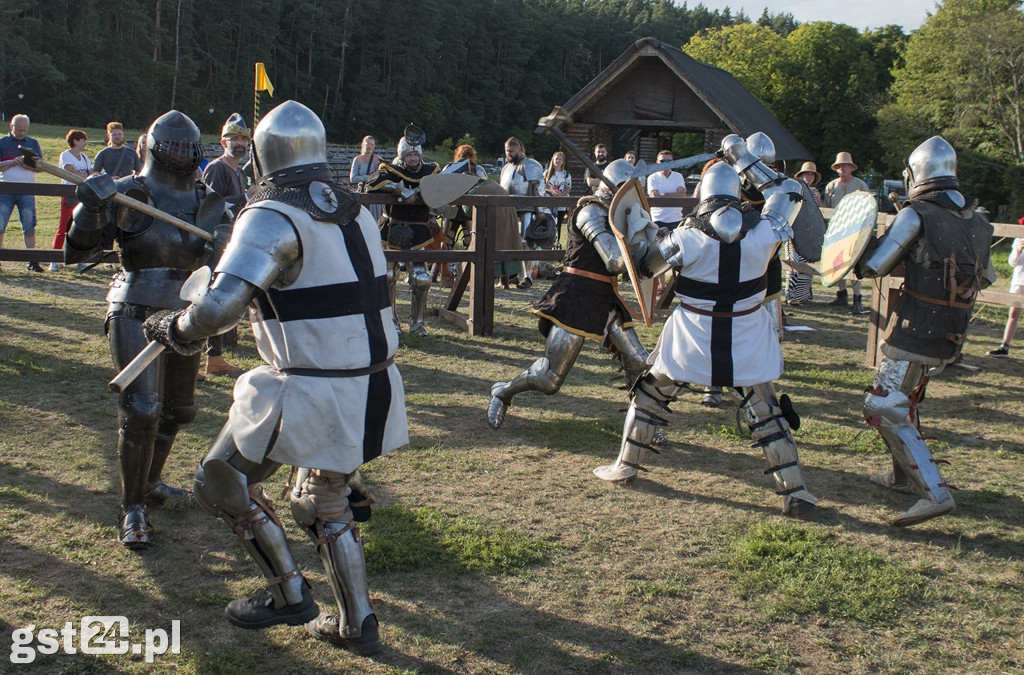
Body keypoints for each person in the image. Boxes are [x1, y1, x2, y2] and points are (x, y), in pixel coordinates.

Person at [142, 100, 406, 655]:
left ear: (262, 155)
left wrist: (175, 326)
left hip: (309, 384)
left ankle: (288, 593)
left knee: (220, 477)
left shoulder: (271, 215)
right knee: (322, 498)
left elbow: (217, 312)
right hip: (373, 382)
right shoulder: (355, 211)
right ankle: (357, 624)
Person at [593, 137, 818, 517]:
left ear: (703, 197)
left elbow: (643, 267)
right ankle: (795, 493)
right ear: (735, 194)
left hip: (692, 339)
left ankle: (626, 467)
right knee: (767, 413)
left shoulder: (685, 238)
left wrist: (638, 225)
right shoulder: (766, 233)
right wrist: (744, 158)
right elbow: (788, 189)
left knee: (649, 397)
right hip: (747, 337)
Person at [65, 110, 227, 549]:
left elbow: (224, 261)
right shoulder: (128, 193)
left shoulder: (207, 200)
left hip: (185, 314)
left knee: (179, 411)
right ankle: (131, 506)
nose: (181, 153)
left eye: (187, 146)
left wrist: (225, 242)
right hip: (135, 306)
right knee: (141, 410)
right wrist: (92, 207)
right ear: (155, 148)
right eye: (173, 145)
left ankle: (151, 484)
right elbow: (76, 251)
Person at [856, 136, 994, 526]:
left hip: (916, 327)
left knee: (882, 404)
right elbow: (984, 279)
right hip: (952, 331)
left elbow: (873, 267)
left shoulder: (915, 213)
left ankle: (934, 493)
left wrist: (862, 245)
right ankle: (901, 476)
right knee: (906, 401)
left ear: (916, 172)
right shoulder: (979, 220)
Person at [487, 159, 653, 432]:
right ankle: (503, 392)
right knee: (549, 380)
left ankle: (645, 422)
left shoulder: (618, 215)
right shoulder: (592, 212)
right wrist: (647, 246)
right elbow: (614, 260)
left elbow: (631, 269)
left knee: (638, 360)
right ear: (616, 188)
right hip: (576, 295)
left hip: (605, 297)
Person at [365, 125, 440, 336]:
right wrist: (399, 189)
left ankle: (417, 323)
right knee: (388, 276)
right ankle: (391, 322)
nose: (413, 158)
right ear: (402, 155)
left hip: (418, 231)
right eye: (410, 154)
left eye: (416, 154)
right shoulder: (389, 170)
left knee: (421, 278)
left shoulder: (431, 170)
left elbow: (442, 187)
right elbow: (371, 184)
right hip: (392, 228)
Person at [200, 112, 253, 376]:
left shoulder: (240, 172)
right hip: (214, 242)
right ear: (223, 142)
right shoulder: (217, 168)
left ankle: (215, 356)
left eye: (243, 138)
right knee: (210, 297)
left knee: (224, 297)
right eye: (234, 138)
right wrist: (246, 196)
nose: (240, 143)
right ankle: (209, 356)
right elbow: (213, 207)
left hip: (233, 241)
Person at [823, 151, 870, 313]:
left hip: (856, 231)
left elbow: (868, 206)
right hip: (836, 231)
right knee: (837, 262)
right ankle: (842, 294)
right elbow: (826, 208)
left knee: (855, 263)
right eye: (839, 166)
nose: (842, 168)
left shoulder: (860, 185)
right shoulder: (831, 186)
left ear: (851, 167)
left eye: (845, 165)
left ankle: (857, 298)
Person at [0, 114, 44, 272]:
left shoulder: (33, 143)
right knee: (0, 225)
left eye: (24, 130)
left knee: (29, 225)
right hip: (5, 189)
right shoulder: (2, 143)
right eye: (19, 130)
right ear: (11, 127)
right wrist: (11, 162)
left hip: (27, 189)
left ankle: (32, 260)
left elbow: (41, 167)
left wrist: (28, 165)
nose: (21, 133)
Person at [499, 137, 545, 287]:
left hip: (526, 206)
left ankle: (527, 277)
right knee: (510, 242)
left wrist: (540, 209)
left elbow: (538, 188)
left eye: (512, 151)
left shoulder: (531, 165)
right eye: (507, 151)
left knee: (525, 241)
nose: (509, 153)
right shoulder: (506, 167)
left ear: (520, 150)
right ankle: (515, 274)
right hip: (508, 207)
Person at [50, 129, 92, 270]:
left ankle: (80, 259)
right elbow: (69, 170)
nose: (85, 143)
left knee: (80, 227)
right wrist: (84, 174)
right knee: (64, 227)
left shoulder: (85, 157)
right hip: (69, 194)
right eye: (83, 140)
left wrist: (84, 174)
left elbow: (90, 173)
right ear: (76, 141)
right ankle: (54, 259)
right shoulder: (66, 155)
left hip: (83, 194)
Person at [785, 161, 822, 306]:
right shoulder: (795, 189)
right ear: (801, 175)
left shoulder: (815, 192)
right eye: (807, 174)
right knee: (793, 262)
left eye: (812, 174)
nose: (809, 177)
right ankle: (791, 294)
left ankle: (803, 295)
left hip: (810, 232)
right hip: (795, 230)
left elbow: (819, 210)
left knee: (807, 263)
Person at [988, 225, 1024, 357]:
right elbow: (1012, 262)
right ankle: (1005, 346)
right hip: (1019, 279)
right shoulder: (1020, 236)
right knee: (1013, 313)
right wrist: (1019, 250)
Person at [646, 150, 687, 230]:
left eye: (668, 161)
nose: (665, 163)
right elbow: (654, 195)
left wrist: (662, 194)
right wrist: (674, 194)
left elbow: (682, 194)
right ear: (657, 162)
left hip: (676, 218)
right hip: (658, 219)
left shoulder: (678, 176)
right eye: (662, 161)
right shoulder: (652, 177)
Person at [349, 135, 383, 224]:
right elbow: (353, 178)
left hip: (375, 191)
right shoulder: (357, 159)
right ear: (363, 144)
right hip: (363, 191)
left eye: (372, 145)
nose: (370, 147)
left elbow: (384, 173)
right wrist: (367, 178)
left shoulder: (378, 159)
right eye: (368, 144)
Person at [543, 150, 572, 239]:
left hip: (561, 202)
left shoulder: (566, 174)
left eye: (560, 159)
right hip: (549, 202)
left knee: (559, 223)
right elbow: (542, 186)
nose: (558, 161)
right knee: (548, 222)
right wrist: (550, 191)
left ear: (563, 161)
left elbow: (568, 188)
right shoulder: (546, 173)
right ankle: (547, 240)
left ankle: (557, 241)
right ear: (552, 160)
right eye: (556, 159)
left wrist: (561, 195)